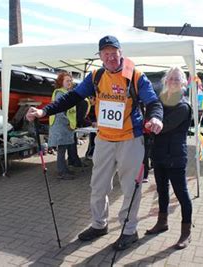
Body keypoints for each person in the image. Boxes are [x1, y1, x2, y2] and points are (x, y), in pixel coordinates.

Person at [26, 35, 164, 251]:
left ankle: (129, 231)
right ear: (100, 56)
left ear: (121, 53)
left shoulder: (135, 76)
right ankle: (99, 225)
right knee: (98, 186)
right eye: (105, 53)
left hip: (130, 139)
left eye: (114, 52)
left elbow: (153, 101)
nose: (110, 57)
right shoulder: (96, 76)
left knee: (131, 188)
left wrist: (155, 117)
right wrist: (44, 110)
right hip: (104, 140)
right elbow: (71, 98)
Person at [144, 67, 193, 250]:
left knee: (182, 195)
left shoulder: (183, 106)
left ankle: (186, 232)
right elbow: (151, 114)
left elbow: (163, 126)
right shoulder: (159, 102)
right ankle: (162, 222)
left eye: (176, 79)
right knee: (162, 191)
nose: (172, 81)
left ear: (182, 84)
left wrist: (150, 123)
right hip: (158, 154)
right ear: (165, 81)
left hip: (175, 156)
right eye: (170, 78)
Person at [48, 72, 77, 180]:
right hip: (62, 126)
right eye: (67, 81)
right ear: (61, 82)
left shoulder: (67, 92)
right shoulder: (60, 93)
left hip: (65, 126)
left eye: (70, 81)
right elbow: (60, 112)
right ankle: (61, 172)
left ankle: (64, 169)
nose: (70, 83)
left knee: (63, 148)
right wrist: (68, 123)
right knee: (61, 149)